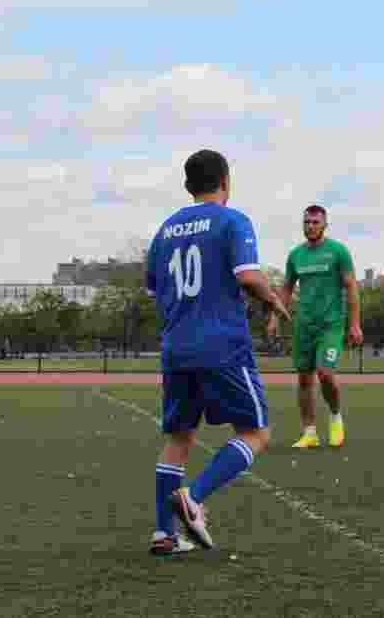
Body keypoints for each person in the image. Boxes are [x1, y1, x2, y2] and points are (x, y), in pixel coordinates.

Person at [145, 149, 290, 555]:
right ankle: (194, 498)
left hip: (176, 347)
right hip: (222, 345)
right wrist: (273, 300)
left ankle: (164, 534)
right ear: (225, 181)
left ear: (187, 185)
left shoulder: (166, 229)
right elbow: (248, 276)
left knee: (178, 438)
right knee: (255, 433)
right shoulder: (232, 220)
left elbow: (154, 287)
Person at [267, 205, 363, 448]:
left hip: (331, 325)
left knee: (325, 373)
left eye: (315, 222)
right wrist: (275, 318)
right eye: (307, 222)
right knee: (304, 379)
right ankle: (309, 433)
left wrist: (354, 324)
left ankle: (335, 416)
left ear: (324, 225)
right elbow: (286, 289)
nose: (310, 226)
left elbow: (352, 287)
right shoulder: (295, 255)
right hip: (304, 326)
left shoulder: (338, 251)